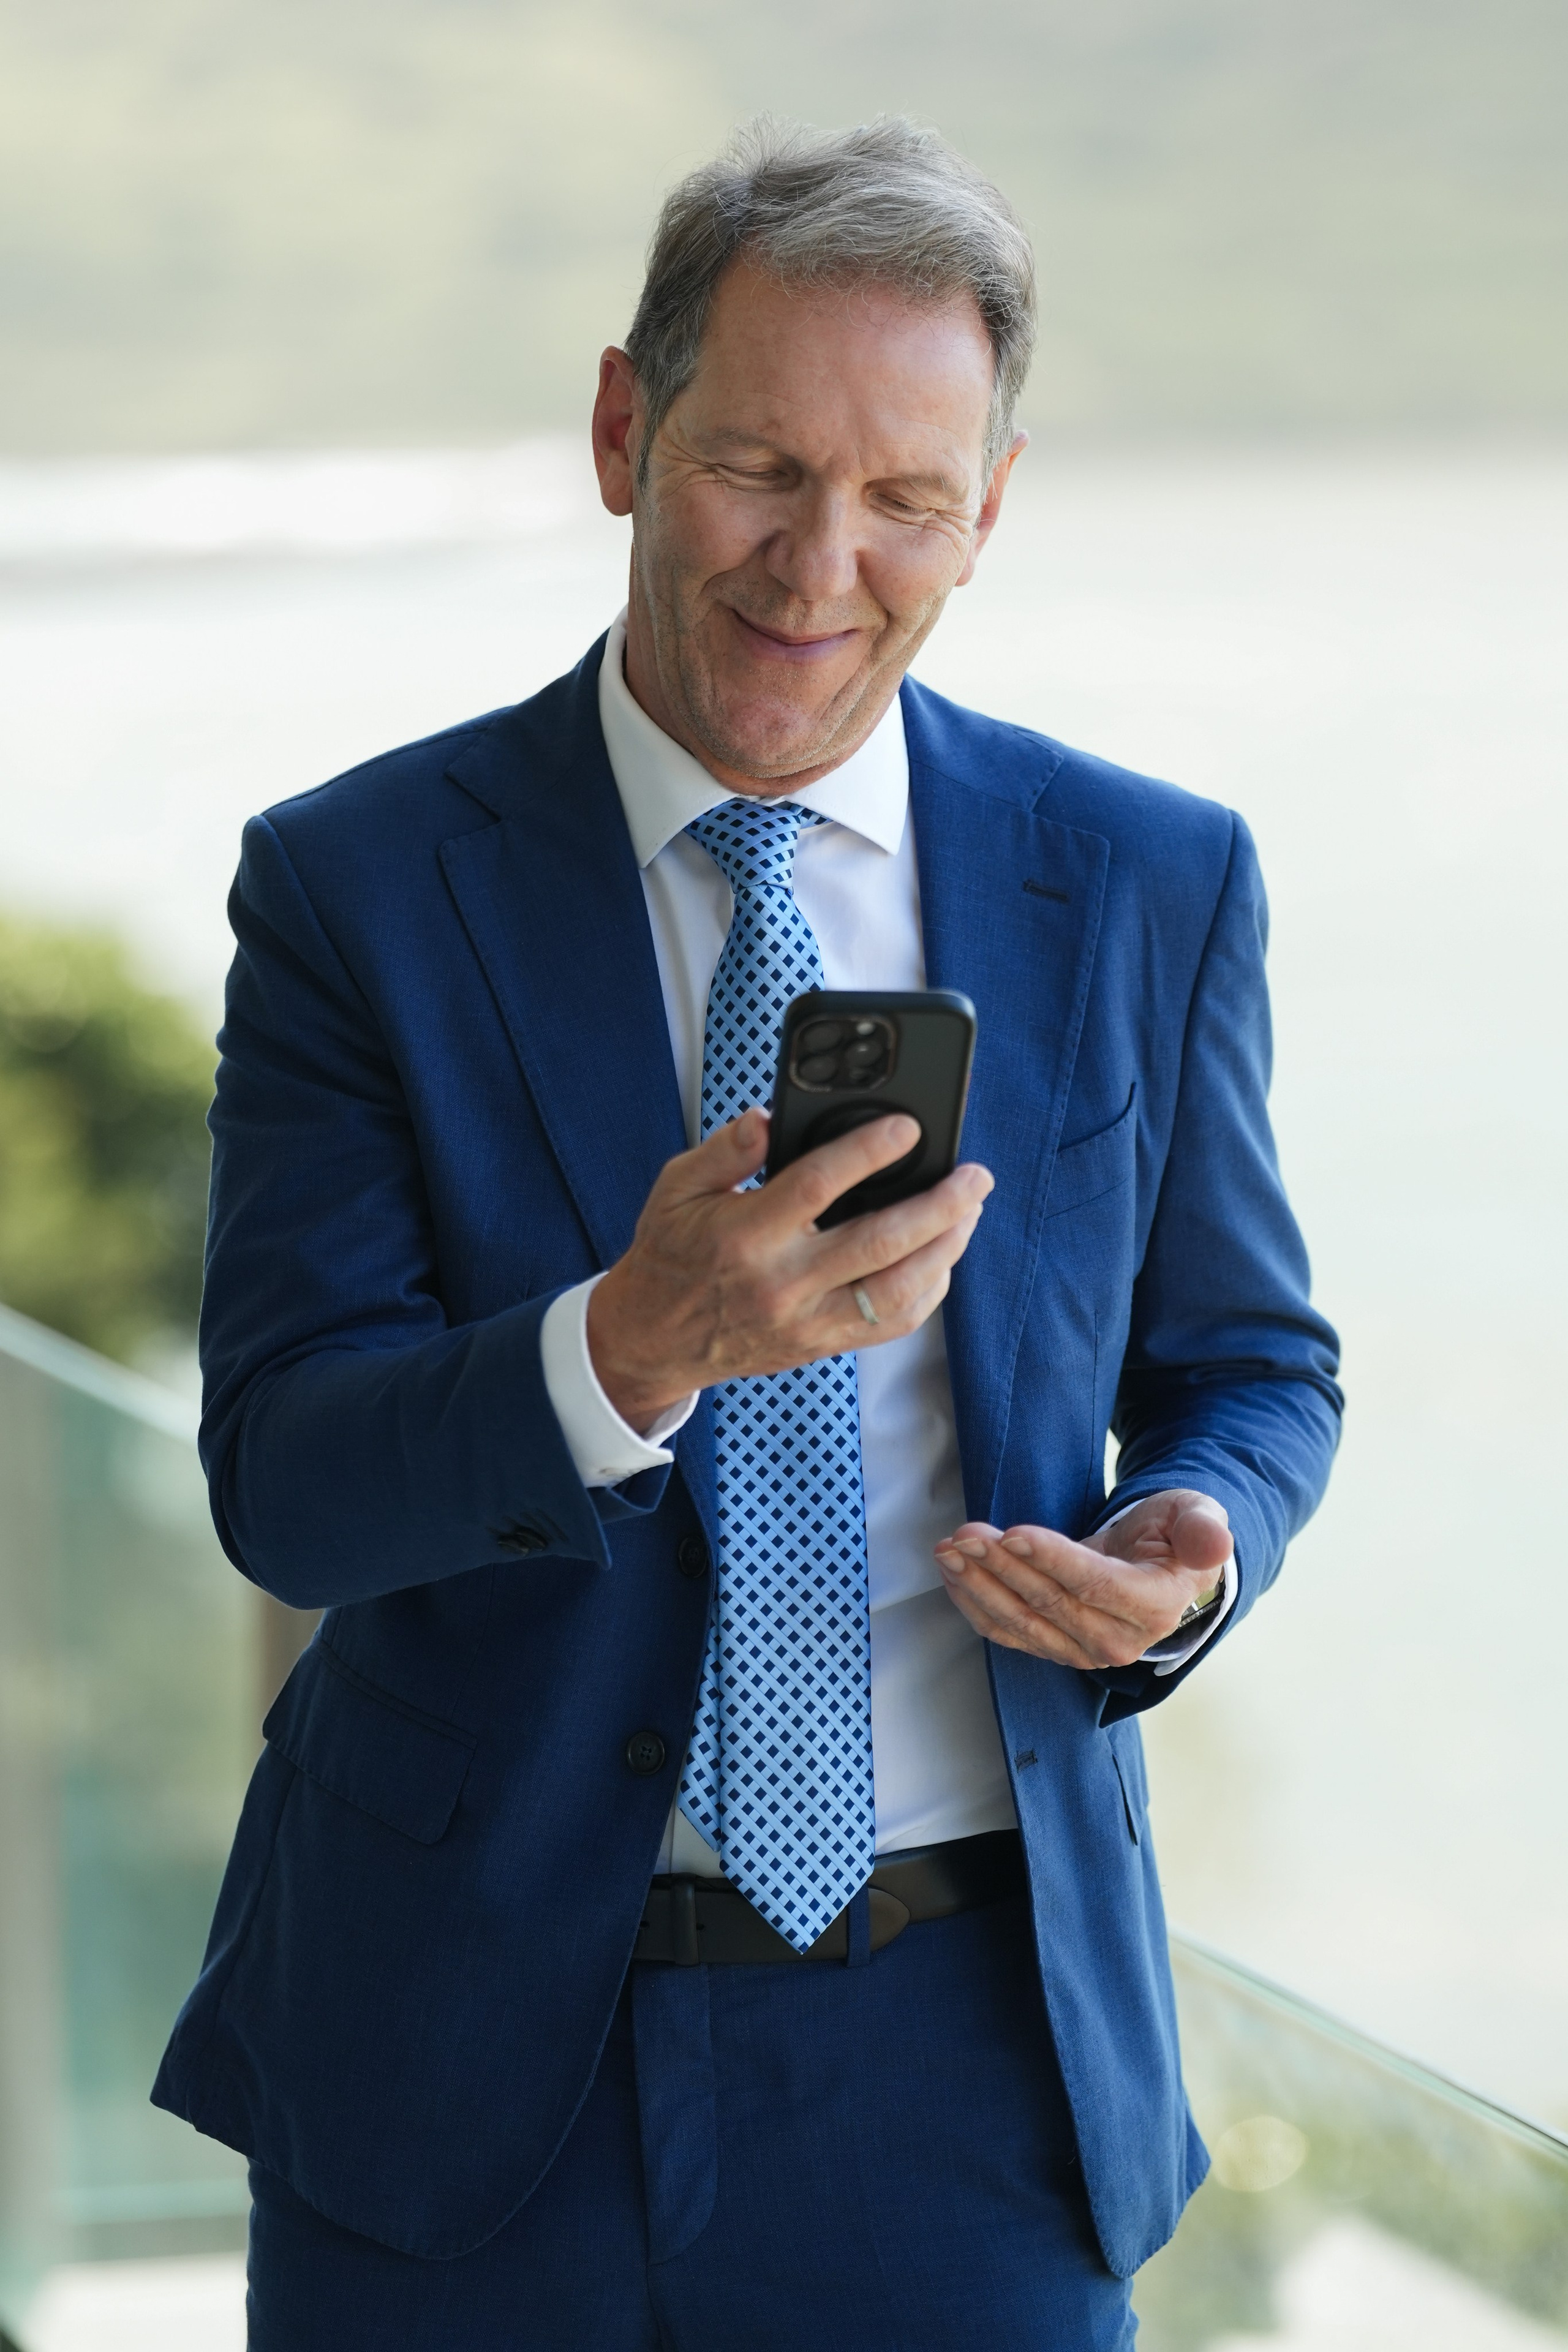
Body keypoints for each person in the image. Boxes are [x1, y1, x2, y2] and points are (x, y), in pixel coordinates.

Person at [154, 116, 1341, 2350]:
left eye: (906, 497)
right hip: (452, 2056)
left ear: (990, 508)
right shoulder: (354, 887)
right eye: (759, 470)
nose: (822, 565)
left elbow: (1256, 1367)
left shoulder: (1148, 879)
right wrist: (627, 1347)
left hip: (975, 2067)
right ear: (625, 429)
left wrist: (1195, 1542)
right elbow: (286, 1484)